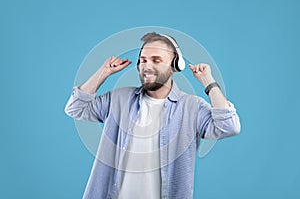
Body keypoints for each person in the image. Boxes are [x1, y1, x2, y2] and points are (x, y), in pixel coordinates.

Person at [64, 32, 241, 199]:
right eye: (143, 60)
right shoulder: (118, 99)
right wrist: (104, 72)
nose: (147, 66)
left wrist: (208, 82)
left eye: (156, 60)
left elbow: (228, 126)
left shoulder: (192, 107)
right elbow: (76, 108)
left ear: (175, 66)